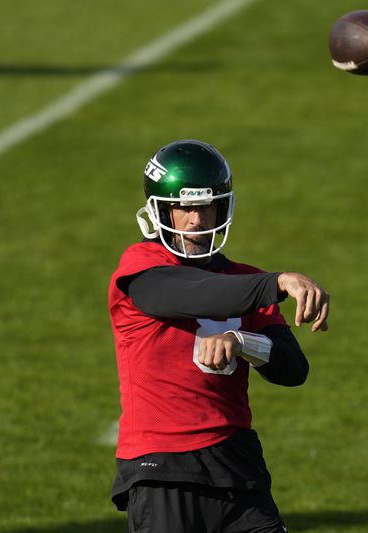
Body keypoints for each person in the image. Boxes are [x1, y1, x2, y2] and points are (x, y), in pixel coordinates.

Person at [108, 139, 330, 532]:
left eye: (205, 206)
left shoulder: (246, 279)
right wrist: (278, 282)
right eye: (184, 207)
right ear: (161, 210)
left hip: (236, 462)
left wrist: (243, 342)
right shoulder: (141, 268)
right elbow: (195, 292)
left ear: (222, 207)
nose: (196, 220)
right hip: (163, 466)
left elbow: (293, 368)